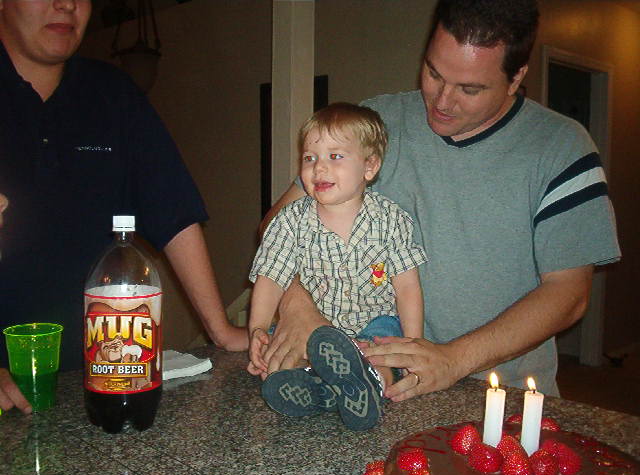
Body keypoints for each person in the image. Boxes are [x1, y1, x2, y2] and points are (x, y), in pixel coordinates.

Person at [257, 0, 620, 401]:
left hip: (500, 396)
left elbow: (568, 294)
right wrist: (298, 306)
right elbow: (278, 225)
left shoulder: (562, 147)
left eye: (469, 89)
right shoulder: (377, 122)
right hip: (371, 386)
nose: (442, 100)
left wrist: (453, 360)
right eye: (433, 73)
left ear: (516, 77)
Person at [0, 0, 247, 415]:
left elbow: (173, 211)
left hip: (106, 373)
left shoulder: (113, 92)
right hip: (13, 384)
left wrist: (220, 329)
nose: (65, 4)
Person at [247, 103, 426, 430]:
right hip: (313, 332)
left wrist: (413, 347)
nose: (319, 168)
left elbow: (407, 288)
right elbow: (270, 278)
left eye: (335, 156)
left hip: (373, 325)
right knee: (277, 361)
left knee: (384, 354)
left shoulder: (392, 221)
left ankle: (367, 382)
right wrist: (258, 328)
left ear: (369, 166)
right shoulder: (289, 222)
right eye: (309, 158)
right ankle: (323, 387)